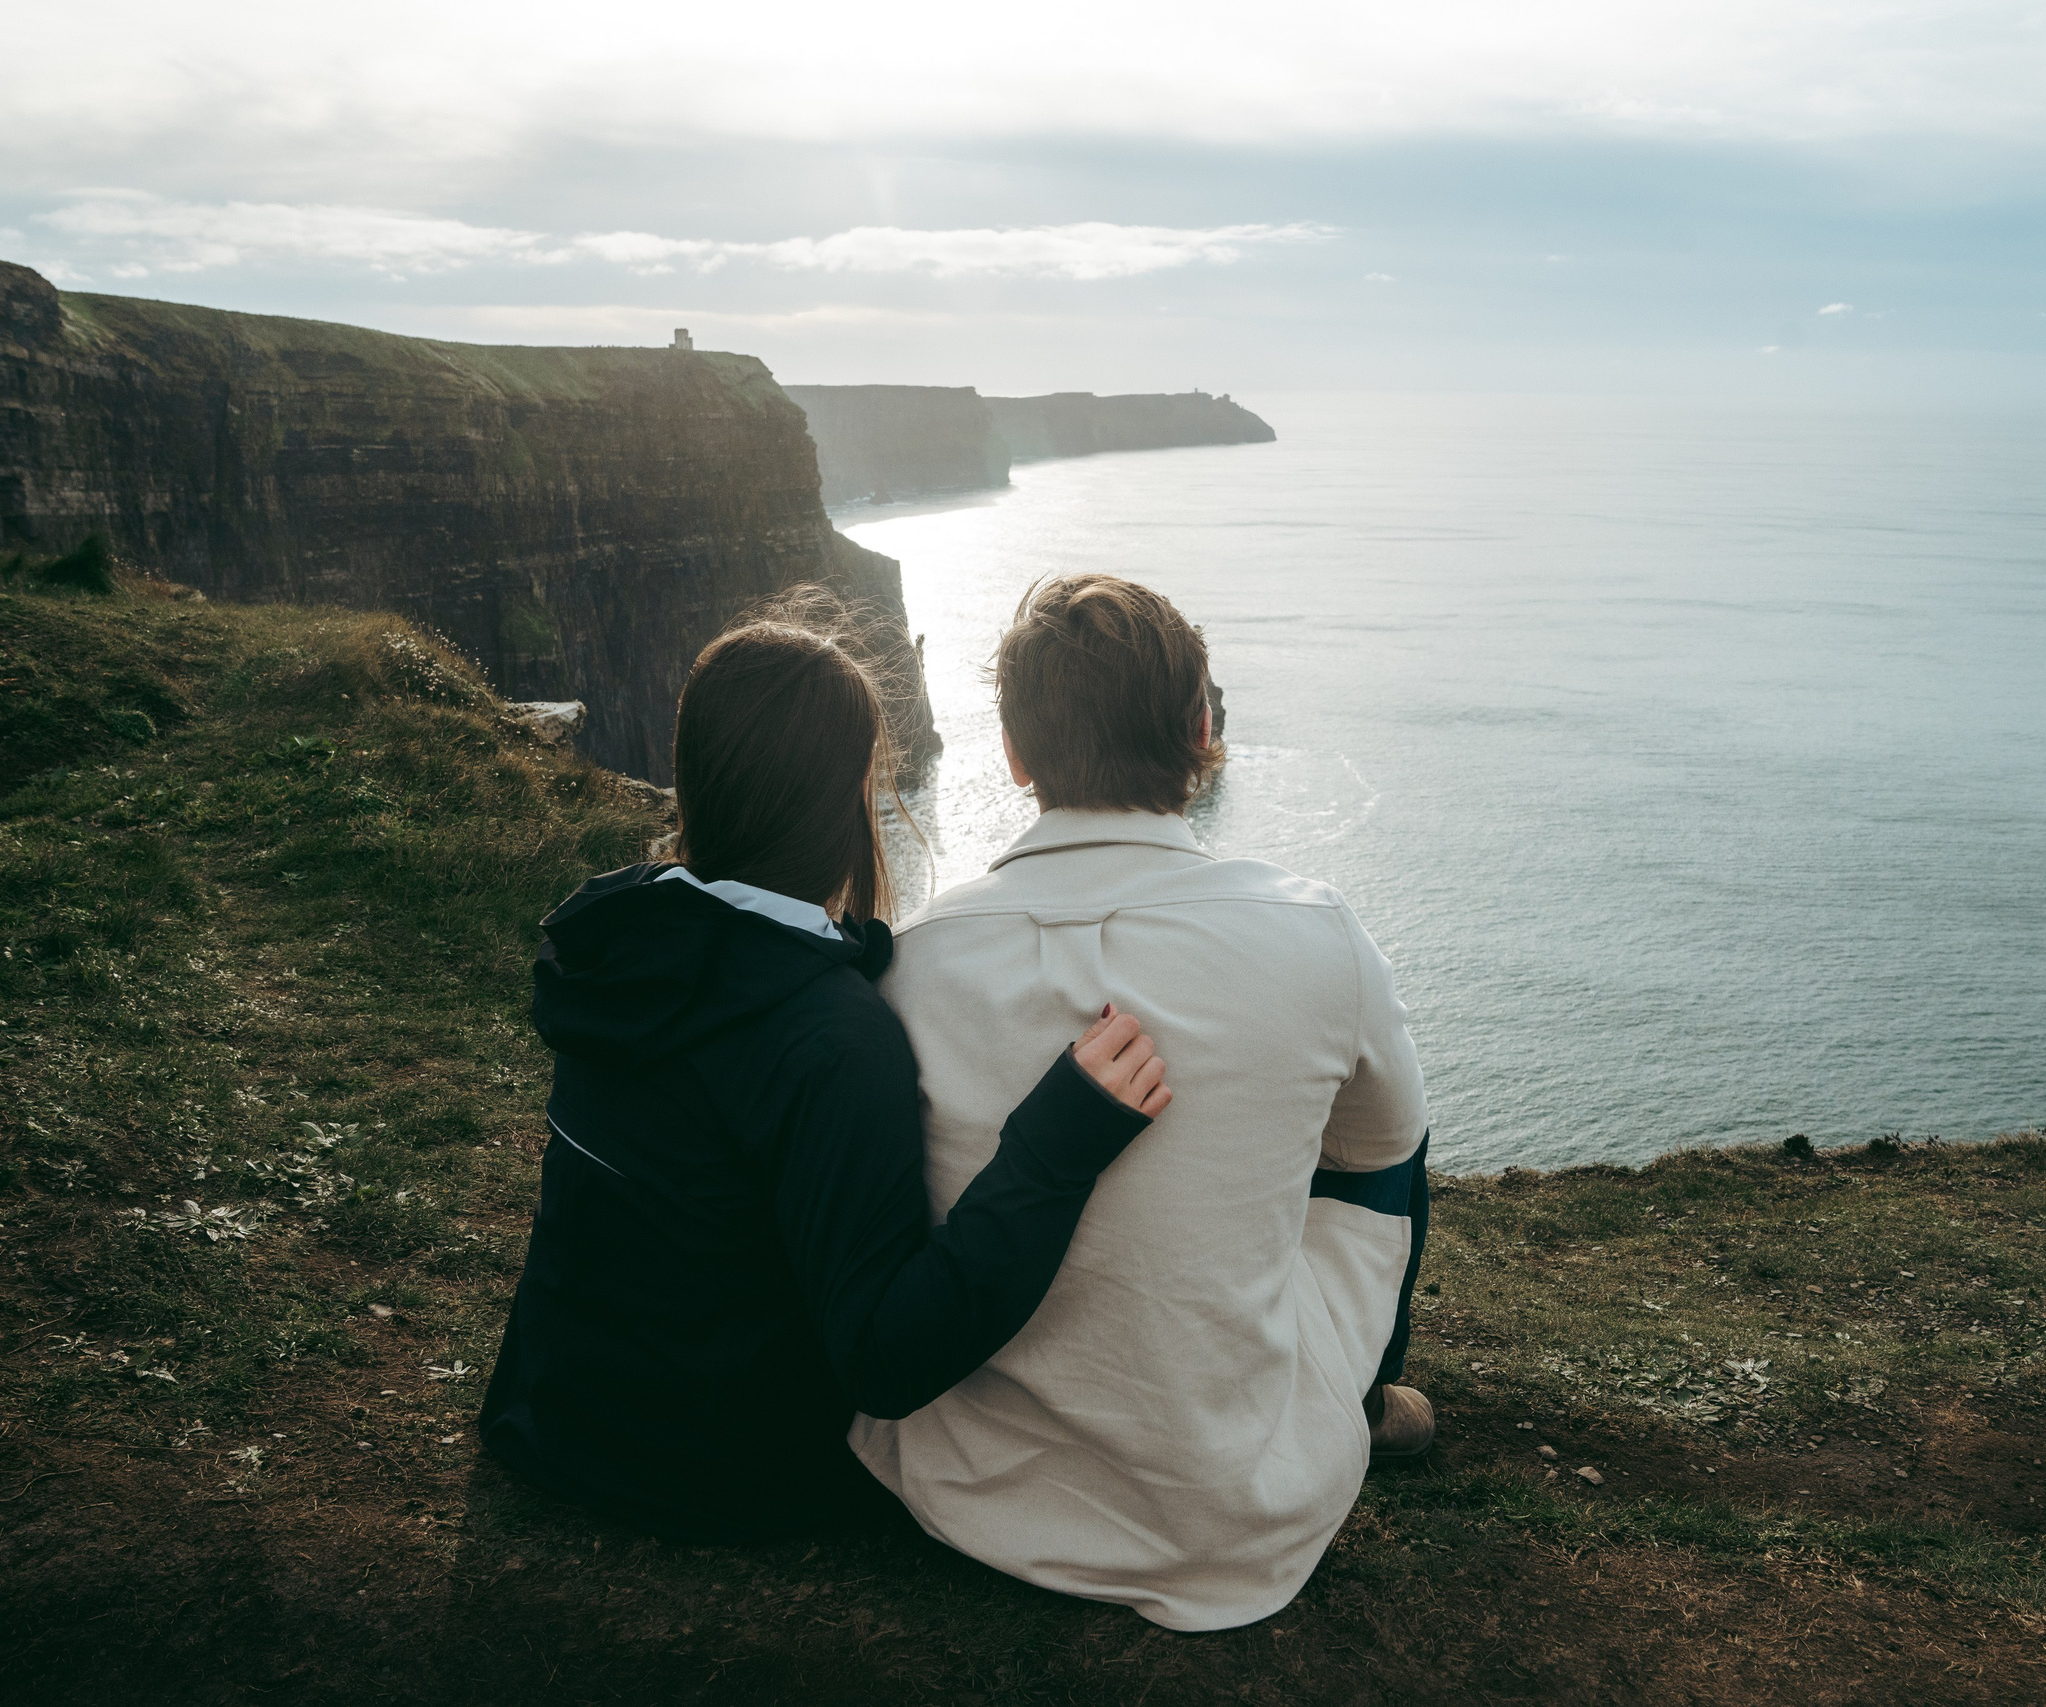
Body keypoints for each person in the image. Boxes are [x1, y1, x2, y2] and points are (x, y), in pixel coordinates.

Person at [479, 593, 1173, 1542]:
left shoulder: (617, 936)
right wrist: (1058, 1141)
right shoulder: (830, 1037)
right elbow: (886, 1358)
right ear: (852, 794)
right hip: (713, 1479)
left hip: (550, 1417)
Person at [850, 574, 1431, 1632]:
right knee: (1386, 1145)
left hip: (971, 1493)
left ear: (1018, 755)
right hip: (1233, 1519)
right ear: (1201, 731)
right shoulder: (1317, 935)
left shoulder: (916, 960)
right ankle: (1365, 1397)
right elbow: (1381, 1147)